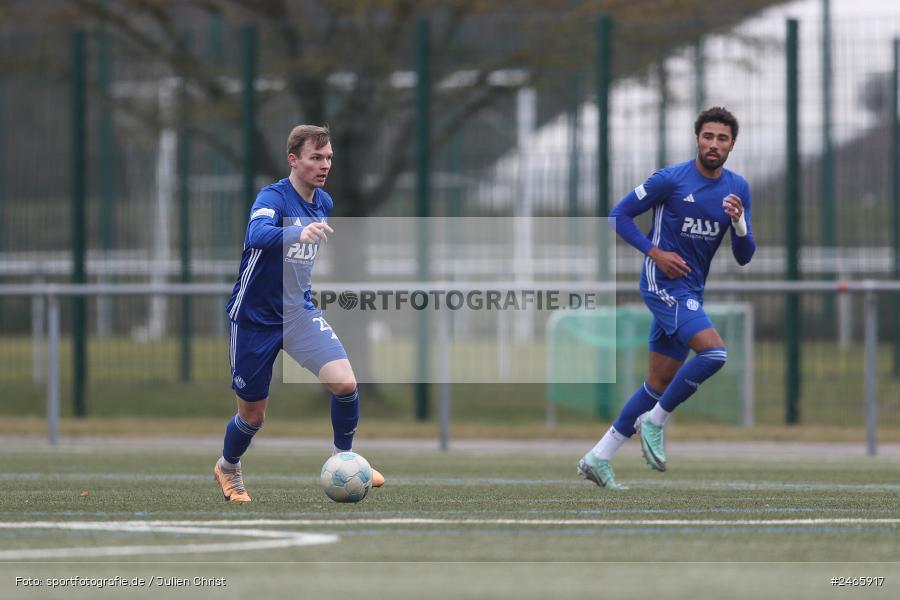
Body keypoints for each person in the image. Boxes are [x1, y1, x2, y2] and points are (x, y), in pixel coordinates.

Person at [578, 107, 756, 490]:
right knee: (714, 354)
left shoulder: (737, 189)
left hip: (690, 291)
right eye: (707, 136)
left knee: (657, 383)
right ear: (697, 139)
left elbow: (744, 256)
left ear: (732, 145)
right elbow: (618, 215)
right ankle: (655, 422)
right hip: (661, 284)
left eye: (722, 138)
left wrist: (740, 223)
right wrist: (653, 251)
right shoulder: (671, 180)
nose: (713, 144)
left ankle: (598, 456)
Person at [214, 124, 384, 502]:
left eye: (328, 159)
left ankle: (347, 458)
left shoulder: (323, 202)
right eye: (315, 158)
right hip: (255, 320)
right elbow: (256, 235)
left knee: (345, 384)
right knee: (253, 417)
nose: (324, 166)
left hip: (298, 314)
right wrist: (295, 234)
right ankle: (228, 467)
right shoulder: (273, 197)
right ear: (294, 160)